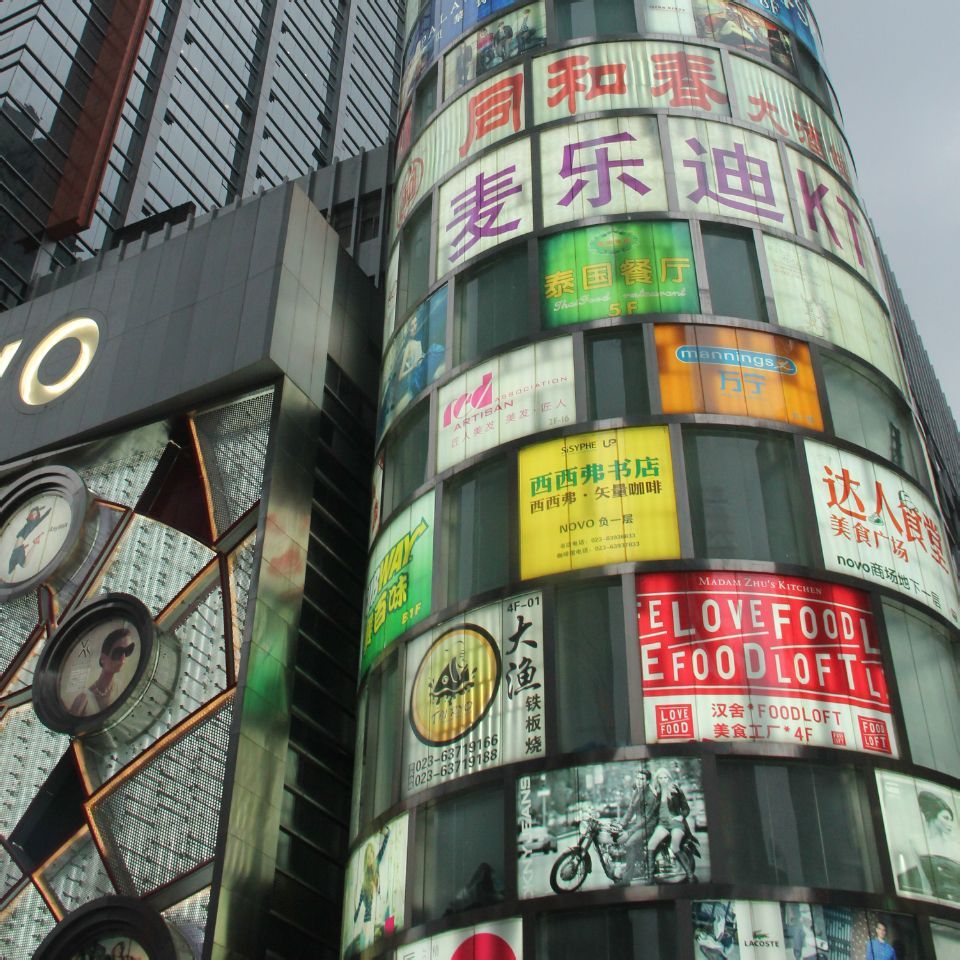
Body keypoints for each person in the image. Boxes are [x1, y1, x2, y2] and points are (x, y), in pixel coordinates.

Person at [68, 627, 136, 716]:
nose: (123, 659)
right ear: (103, 658)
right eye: (118, 653)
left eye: (127, 651)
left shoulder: (121, 689)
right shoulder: (82, 700)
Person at [647, 766, 696, 882]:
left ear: (669, 778)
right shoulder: (657, 792)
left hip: (675, 823)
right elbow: (653, 811)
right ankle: (650, 877)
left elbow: (686, 808)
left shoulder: (676, 791)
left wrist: (681, 816)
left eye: (665, 778)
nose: (663, 780)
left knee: (674, 847)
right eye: (660, 778)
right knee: (651, 844)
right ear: (657, 779)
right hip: (662, 824)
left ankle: (690, 875)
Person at [615, 767, 659, 884]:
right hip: (639, 824)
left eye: (642, 779)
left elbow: (646, 818)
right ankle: (638, 861)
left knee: (629, 844)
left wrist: (631, 830)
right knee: (619, 837)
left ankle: (626, 880)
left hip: (648, 826)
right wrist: (621, 824)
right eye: (638, 778)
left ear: (648, 781)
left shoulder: (650, 796)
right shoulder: (637, 792)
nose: (639, 781)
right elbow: (630, 810)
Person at [353, 825, 390, 924]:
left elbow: (385, 844)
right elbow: (361, 896)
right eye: (368, 858)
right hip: (370, 911)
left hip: (378, 904)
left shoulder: (376, 862)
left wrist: (385, 832)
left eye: (371, 856)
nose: (369, 860)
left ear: (373, 855)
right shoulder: (365, 878)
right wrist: (357, 912)